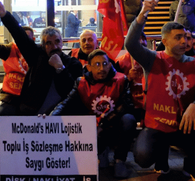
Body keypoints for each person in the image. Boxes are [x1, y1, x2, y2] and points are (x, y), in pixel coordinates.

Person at [125, 0, 195, 181]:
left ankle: (192, 164)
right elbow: (131, 44)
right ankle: (161, 159)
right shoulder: (152, 59)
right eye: (178, 38)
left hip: (184, 124)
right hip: (157, 125)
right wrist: (142, 14)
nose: (184, 42)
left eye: (186, 37)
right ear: (164, 42)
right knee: (142, 156)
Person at [52, 50, 136, 179]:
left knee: (129, 119)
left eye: (104, 64)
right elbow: (66, 103)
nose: (101, 68)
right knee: (99, 166)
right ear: (89, 67)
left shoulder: (121, 79)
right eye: (97, 65)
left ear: (109, 65)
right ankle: (101, 151)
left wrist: (103, 124)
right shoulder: (81, 82)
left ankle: (120, 160)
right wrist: (51, 117)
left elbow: (127, 106)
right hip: (93, 130)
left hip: (113, 126)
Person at [0, 0, 83, 114]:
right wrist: (4, 14)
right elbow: (19, 35)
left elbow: (72, 92)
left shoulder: (73, 63)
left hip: (62, 116)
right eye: (49, 43)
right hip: (33, 112)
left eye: (57, 41)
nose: (54, 46)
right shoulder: (36, 56)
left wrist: (60, 69)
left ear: (62, 43)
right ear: (43, 46)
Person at [0, 16, 33, 118]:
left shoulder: (37, 51)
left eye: (26, 38)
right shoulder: (10, 49)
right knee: (2, 115)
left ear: (33, 39)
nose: (22, 41)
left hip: (31, 96)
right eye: (20, 38)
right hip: (11, 96)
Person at [115, 32, 147, 121]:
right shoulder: (120, 62)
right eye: (137, 39)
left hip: (151, 104)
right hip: (130, 105)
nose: (141, 42)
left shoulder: (155, 59)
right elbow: (115, 88)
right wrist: (128, 78)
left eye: (143, 38)